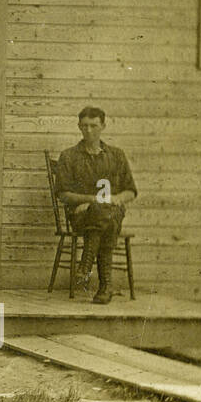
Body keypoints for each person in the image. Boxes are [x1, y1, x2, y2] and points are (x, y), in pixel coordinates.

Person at [54, 105, 138, 303]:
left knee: (106, 214)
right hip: (81, 216)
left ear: (103, 126)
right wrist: (92, 201)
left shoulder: (116, 155)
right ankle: (105, 286)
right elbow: (63, 194)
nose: (89, 130)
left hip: (110, 213)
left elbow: (130, 190)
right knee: (105, 216)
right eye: (84, 126)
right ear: (79, 127)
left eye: (93, 125)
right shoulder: (69, 156)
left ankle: (86, 263)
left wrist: (117, 199)